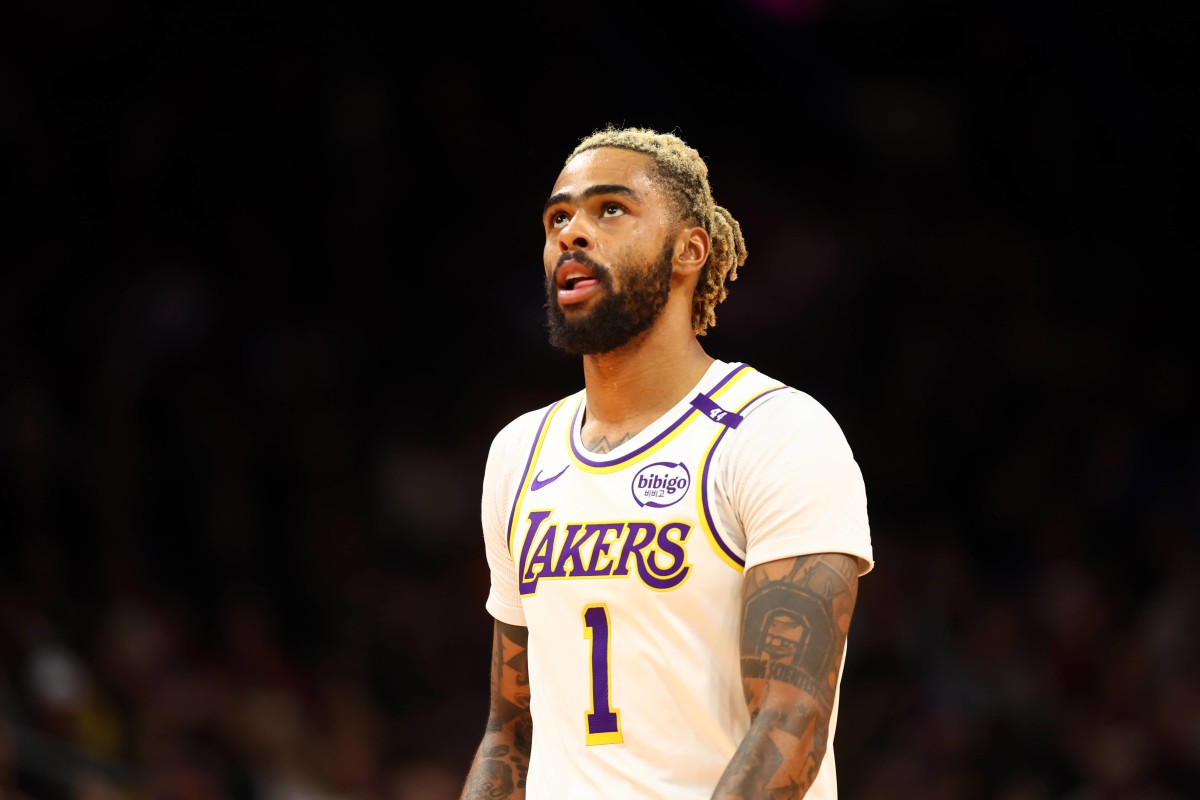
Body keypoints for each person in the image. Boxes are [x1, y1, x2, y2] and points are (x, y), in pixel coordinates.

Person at [459, 124, 874, 800]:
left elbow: (790, 724)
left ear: (689, 249)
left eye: (610, 209)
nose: (572, 233)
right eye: (557, 217)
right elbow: (511, 731)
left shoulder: (775, 432)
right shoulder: (519, 453)